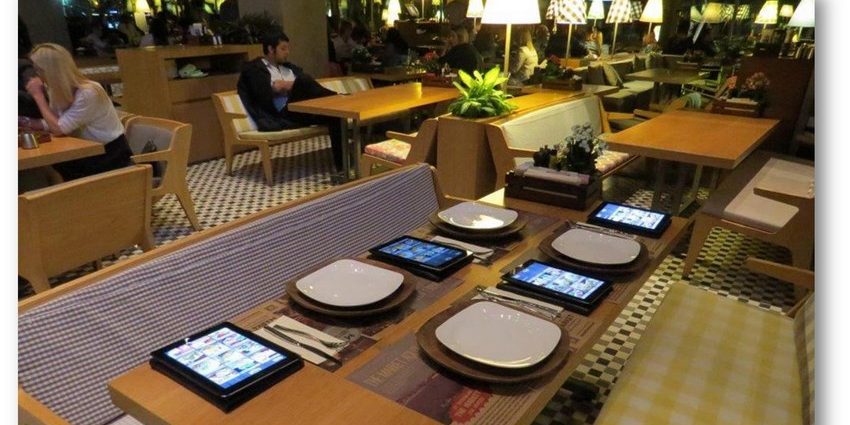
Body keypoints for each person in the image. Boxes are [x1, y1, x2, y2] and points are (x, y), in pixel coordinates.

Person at [20, 43, 132, 181]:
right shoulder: (57, 90)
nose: (35, 76)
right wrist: (26, 122)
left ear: (50, 70)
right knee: (43, 172)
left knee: (43, 174)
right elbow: (57, 122)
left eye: (38, 70)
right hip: (85, 153)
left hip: (109, 156)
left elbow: (59, 129)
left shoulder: (88, 92)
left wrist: (38, 96)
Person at [237, 32, 346, 172]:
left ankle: (343, 167)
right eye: (283, 49)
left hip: (303, 109)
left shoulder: (289, 68)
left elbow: (294, 87)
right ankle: (338, 98)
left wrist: (285, 86)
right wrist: (288, 86)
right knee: (303, 80)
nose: (287, 52)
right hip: (283, 114)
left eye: (288, 48)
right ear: (270, 49)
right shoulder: (255, 69)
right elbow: (263, 94)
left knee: (336, 116)